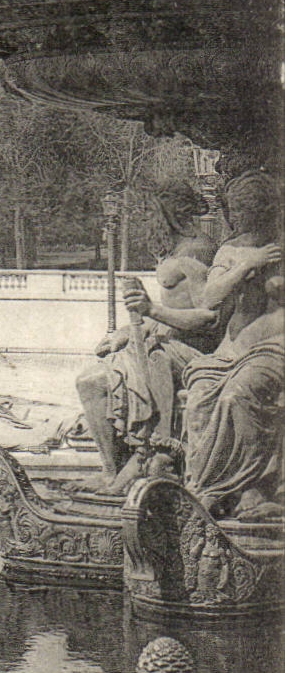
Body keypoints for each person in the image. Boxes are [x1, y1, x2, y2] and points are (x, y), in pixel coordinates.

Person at [74, 184, 221, 492]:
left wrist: (150, 310)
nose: (145, 224)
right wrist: (129, 332)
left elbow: (209, 319)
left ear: (173, 215)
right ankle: (111, 470)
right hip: (162, 340)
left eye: (151, 216)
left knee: (107, 378)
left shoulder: (198, 250)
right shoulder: (176, 250)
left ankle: (140, 458)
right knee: (90, 381)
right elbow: (170, 309)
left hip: (190, 351)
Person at [176, 171, 283, 519]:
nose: (234, 217)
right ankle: (204, 487)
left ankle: (250, 490)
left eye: (242, 210)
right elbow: (209, 299)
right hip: (231, 350)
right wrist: (246, 266)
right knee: (202, 394)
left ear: (266, 210)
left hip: (276, 348)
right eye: (233, 210)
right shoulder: (232, 250)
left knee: (237, 395)